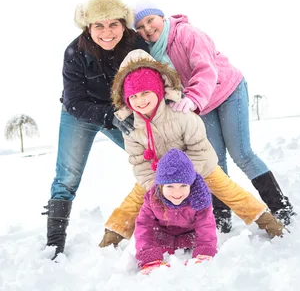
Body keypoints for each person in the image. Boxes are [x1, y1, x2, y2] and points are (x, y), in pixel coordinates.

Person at [131, 1, 295, 230]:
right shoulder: (152, 53)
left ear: (162, 17)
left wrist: (194, 98)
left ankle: (280, 206)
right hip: (200, 104)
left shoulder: (187, 33)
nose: (147, 28)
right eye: (140, 26)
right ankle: (220, 215)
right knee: (212, 160)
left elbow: (205, 68)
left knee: (242, 154)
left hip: (227, 91)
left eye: (150, 20)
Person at [106, 49, 284, 242]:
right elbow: (139, 162)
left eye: (145, 93)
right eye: (133, 96)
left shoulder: (181, 114)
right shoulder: (131, 128)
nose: (140, 101)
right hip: (159, 176)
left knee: (230, 191)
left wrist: (186, 177)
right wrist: (157, 185)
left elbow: (199, 148)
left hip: (200, 167)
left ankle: (268, 222)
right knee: (134, 199)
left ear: (158, 89)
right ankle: (111, 237)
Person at [42, 0, 149, 259]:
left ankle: (166, 220)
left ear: (124, 25)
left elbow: (148, 83)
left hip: (120, 112)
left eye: (113, 24)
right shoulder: (75, 52)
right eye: (99, 25)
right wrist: (109, 116)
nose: (107, 32)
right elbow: (74, 100)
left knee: (152, 158)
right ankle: (54, 244)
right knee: (67, 177)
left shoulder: (136, 45)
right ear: (88, 27)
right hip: (79, 114)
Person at [135, 149, 217, 274]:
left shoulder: (200, 199)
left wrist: (204, 252)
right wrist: (148, 254)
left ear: (191, 184)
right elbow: (144, 226)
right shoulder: (153, 198)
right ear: (161, 186)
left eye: (183, 185)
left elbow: (206, 226)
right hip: (162, 237)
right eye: (170, 186)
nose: (177, 193)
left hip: (190, 238)